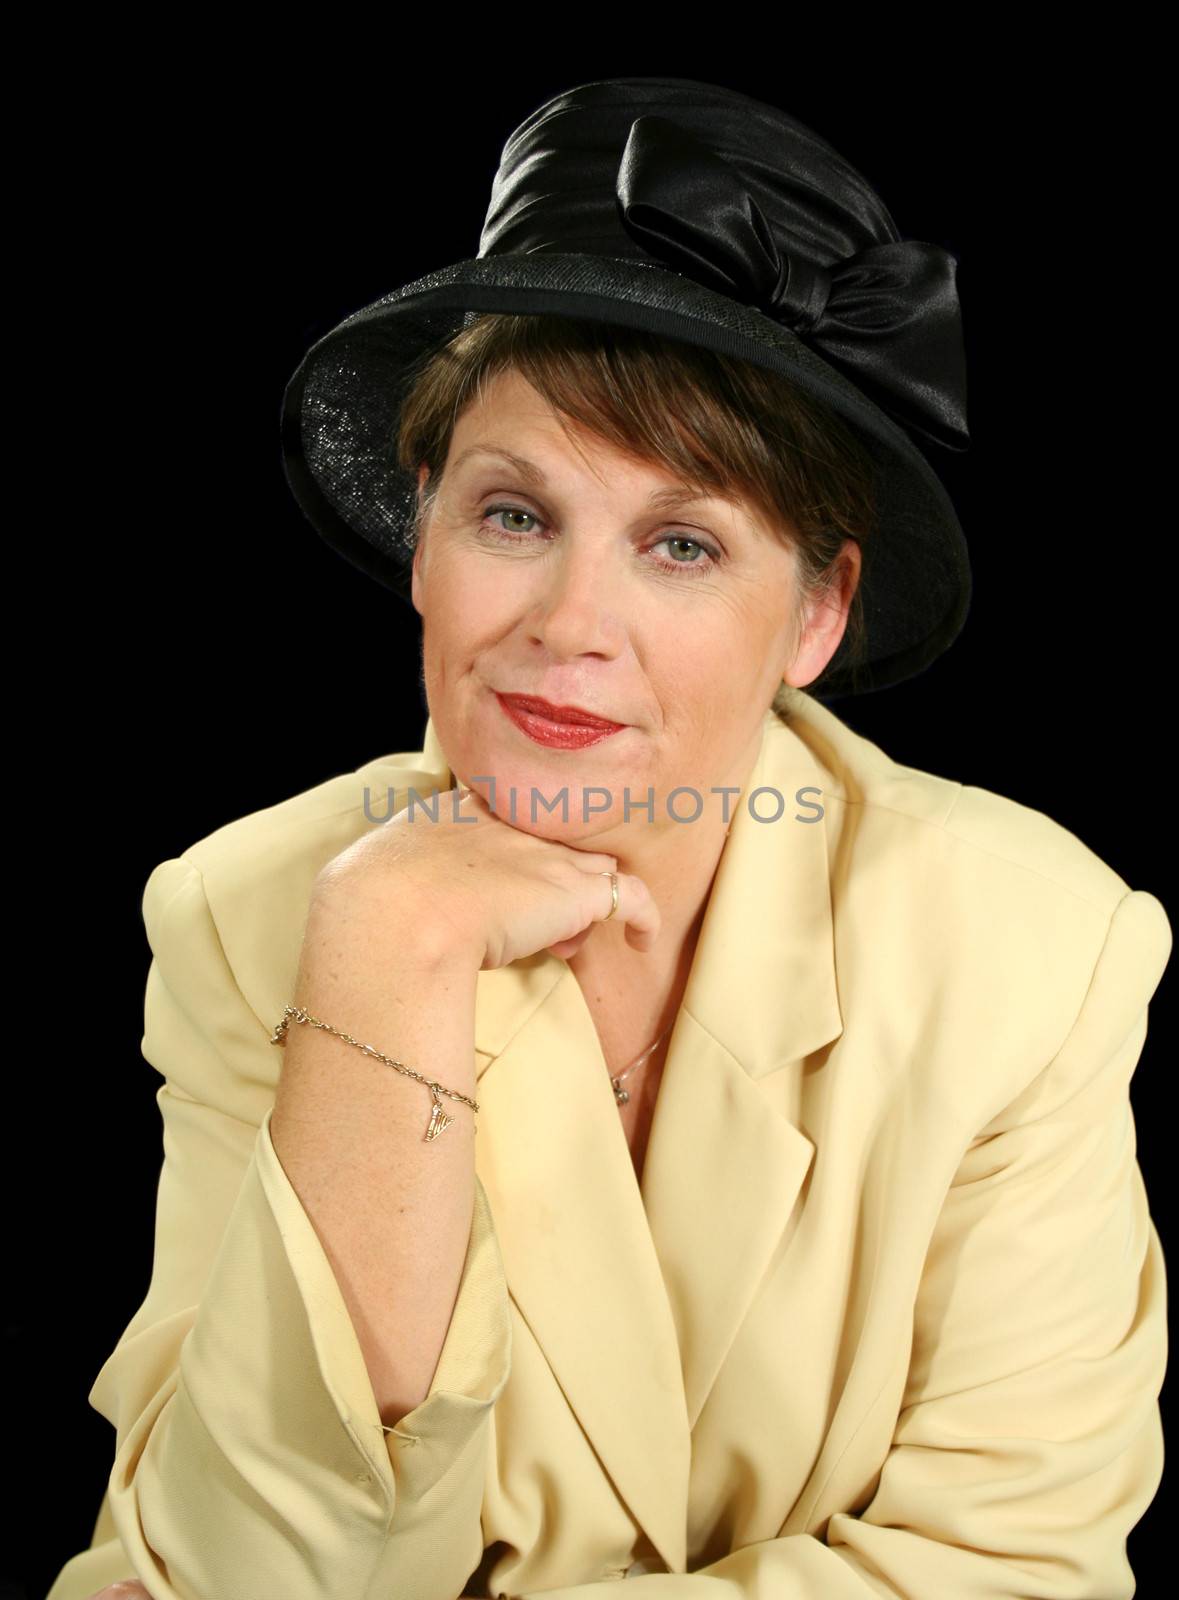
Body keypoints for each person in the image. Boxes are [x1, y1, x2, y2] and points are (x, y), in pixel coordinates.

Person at [55, 78, 1168, 1600]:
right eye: (515, 516)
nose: (570, 627)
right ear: (426, 530)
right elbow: (244, 1564)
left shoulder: (1029, 947)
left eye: (684, 544)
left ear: (817, 614)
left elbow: (1014, 1573)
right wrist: (386, 959)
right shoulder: (248, 919)